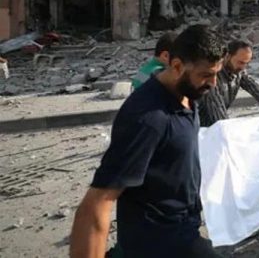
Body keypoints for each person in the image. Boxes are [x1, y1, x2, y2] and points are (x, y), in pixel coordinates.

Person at [69, 25, 226, 258]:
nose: (213, 83)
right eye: (205, 75)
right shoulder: (148, 118)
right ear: (176, 66)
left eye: (216, 74)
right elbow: (97, 202)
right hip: (160, 242)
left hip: (182, 228)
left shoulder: (187, 95)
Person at [199, 39, 259, 127]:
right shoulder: (213, 78)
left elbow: (255, 90)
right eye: (240, 62)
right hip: (203, 127)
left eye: (246, 63)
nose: (243, 67)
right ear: (227, 56)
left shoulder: (238, 71)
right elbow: (219, 116)